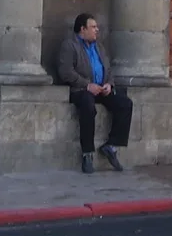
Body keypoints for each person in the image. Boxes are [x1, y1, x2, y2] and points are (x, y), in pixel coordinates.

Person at [56, 13, 133, 174]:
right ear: (82, 29)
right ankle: (87, 153)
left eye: (97, 27)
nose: (97, 30)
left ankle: (111, 146)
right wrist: (87, 85)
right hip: (81, 90)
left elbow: (108, 69)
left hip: (101, 89)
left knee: (125, 104)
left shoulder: (99, 47)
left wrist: (109, 84)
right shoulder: (69, 46)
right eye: (93, 27)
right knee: (87, 106)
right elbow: (65, 72)